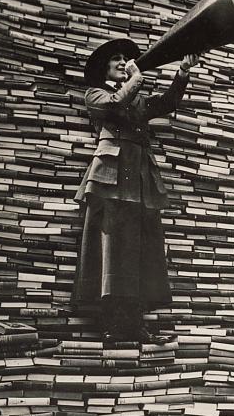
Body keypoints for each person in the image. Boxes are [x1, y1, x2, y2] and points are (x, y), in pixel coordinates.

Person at [72, 37, 198, 343]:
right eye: (115, 59)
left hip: (139, 180)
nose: (122, 63)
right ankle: (113, 325)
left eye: (124, 59)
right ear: (103, 67)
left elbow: (166, 103)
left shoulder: (136, 97)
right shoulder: (95, 94)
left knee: (140, 250)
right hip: (109, 179)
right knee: (111, 251)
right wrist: (136, 78)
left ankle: (136, 324)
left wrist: (183, 72)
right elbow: (114, 105)